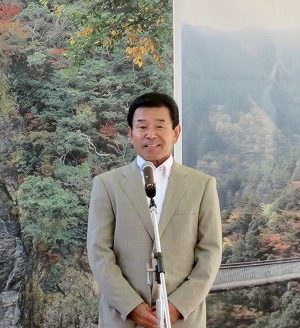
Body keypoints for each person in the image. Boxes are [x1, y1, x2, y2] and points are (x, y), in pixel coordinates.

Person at [87, 92, 222, 327]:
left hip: (182, 319)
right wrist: (131, 306)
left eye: (160, 126)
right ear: (131, 134)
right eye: (142, 127)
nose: (151, 134)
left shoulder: (202, 185)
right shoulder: (107, 184)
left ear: (176, 133)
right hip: (123, 318)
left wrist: (178, 306)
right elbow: (99, 252)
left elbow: (210, 252)